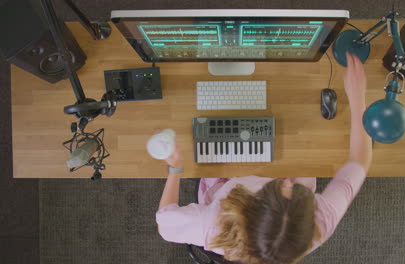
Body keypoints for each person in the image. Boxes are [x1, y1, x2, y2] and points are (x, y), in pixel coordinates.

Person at [155, 53, 373, 264]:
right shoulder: (318, 224)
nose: (288, 181)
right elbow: (359, 163)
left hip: (224, 186)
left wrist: (175, 170)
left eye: (279, 188)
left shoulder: (213, 224)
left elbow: (165, 222)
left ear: (248, 203)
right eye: (296, 191)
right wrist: (357, 100)